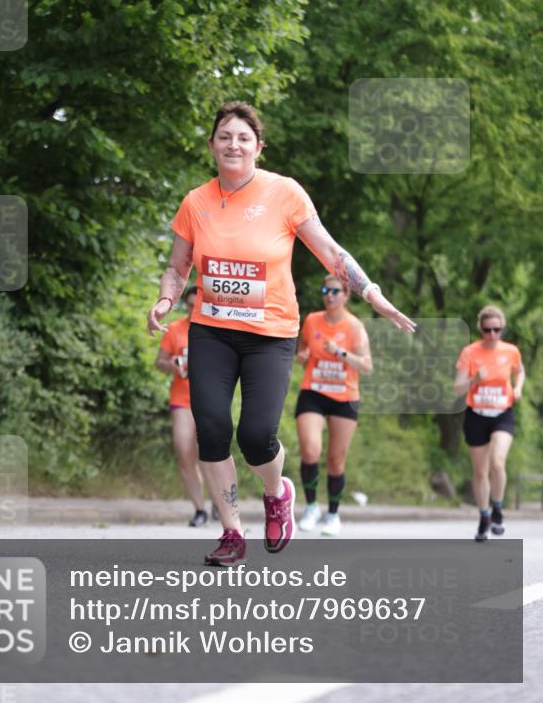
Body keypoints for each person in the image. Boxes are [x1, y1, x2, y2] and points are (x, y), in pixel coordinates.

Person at [147, 100, 416, 566]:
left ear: (259, 147)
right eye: (225, 137)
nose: (233, 145)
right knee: (211, 428)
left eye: (243, 138)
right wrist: (166, 301)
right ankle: (232, 532)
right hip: (211, 330)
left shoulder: (284, 193)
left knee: (256, 436)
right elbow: (177, 266)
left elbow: (331, 252)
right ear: (211, 145)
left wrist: (372, 293)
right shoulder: (195, 202)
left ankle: (277, 493)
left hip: (270, 335)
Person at [295, 275, 372, 537]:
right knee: (310, 449)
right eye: (325, 290)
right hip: (314, 391)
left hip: (344, 396)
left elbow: (367, 366)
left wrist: (340, 352)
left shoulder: (354, 327)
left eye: (335, 291)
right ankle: (311, 508)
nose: (329, 295)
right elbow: (303, 348)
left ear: (346, 295)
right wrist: (303, 356)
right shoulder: (312, 320)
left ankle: (333, 515)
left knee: (336, 461)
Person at [454, 305, 525, 542]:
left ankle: (497, 508)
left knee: (497, 461)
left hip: (502, 413)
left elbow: (520, 371)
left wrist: (518, 388)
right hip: (477, 415)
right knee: (480, 471)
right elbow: (457, 388)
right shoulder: (470, 352)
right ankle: (484, 516)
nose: (492, 335)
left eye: (497, 330)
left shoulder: (511, 351)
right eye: (487, 330)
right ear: (480, 329)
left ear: (502, 329)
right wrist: (475, 379)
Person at [155, 285, 213, 527]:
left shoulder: (216, 330)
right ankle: (200, 509)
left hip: (209, 400)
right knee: (184, 451)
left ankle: (220, 501)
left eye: (196, 305)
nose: (192, 310)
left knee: (209, 454)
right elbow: (159, 361)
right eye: (189, 306)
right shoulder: (176, 329)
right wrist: (172, 366)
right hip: (182, 400)